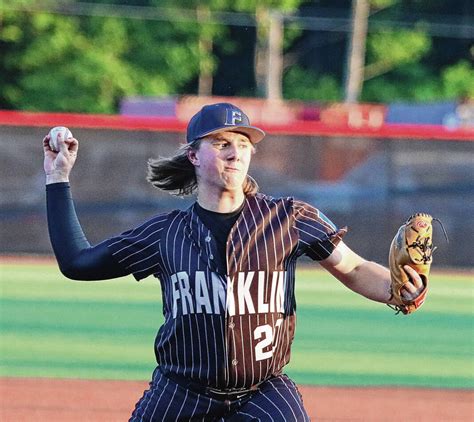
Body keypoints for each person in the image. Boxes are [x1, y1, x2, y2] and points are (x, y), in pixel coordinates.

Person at [44, 102, 424, 421]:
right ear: (193, 155)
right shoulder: (165, 233)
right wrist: (58, 176)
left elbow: (354, 268)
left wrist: (396, 289)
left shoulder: (289, 218)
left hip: (264, 391)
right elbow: (77, 262)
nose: (235, 151)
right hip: (181, 391)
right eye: (221, 142)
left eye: (243, 143)